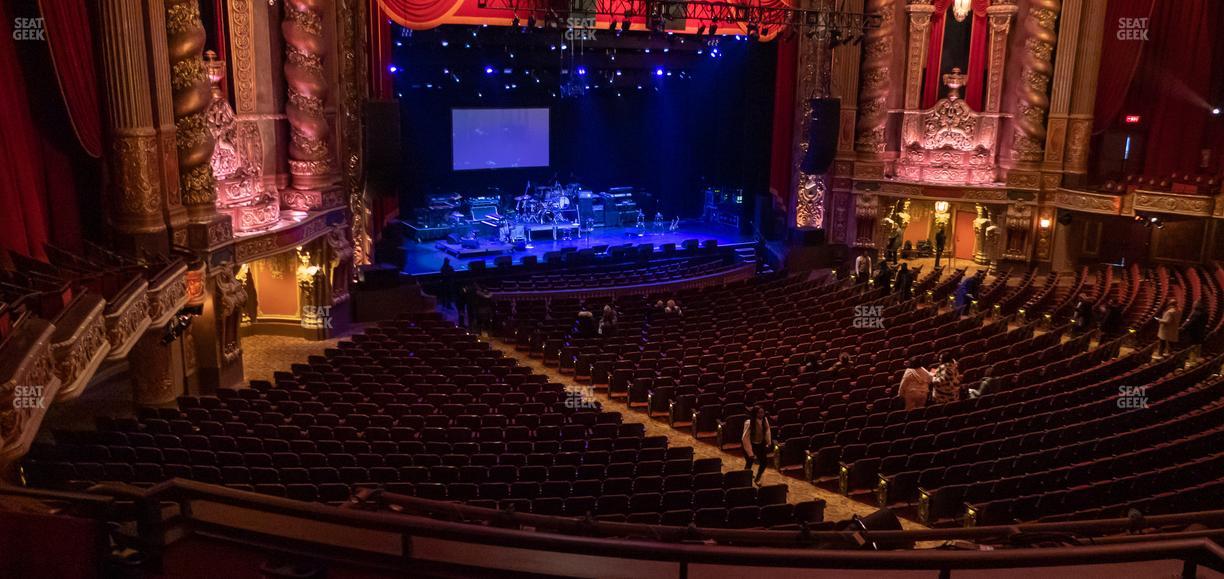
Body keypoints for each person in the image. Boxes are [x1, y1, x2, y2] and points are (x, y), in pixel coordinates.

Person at [741, 406, 772, 484]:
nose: (762, 414)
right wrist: (750, 453)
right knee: (749, 462)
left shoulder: (765, 420)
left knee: (764, 462)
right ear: (755, 414)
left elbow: (767, 430)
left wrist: (768, 442)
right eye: (760, 413)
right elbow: (745, 438)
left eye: (763, 412)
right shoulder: (749, 423)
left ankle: (758, 478)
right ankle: (745, 478)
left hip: (760, 444)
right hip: (750, 445)